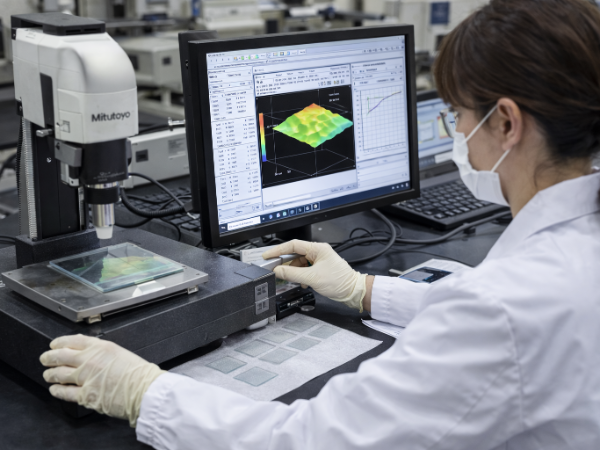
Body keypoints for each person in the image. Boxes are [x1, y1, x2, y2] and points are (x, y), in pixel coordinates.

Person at [39, 0, 600, 448]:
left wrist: (146, 392)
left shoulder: (506, 307)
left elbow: (309, 440)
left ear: (506, 123)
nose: (457, 133)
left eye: (459, 115)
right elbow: (492, 322)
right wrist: (363, 290)